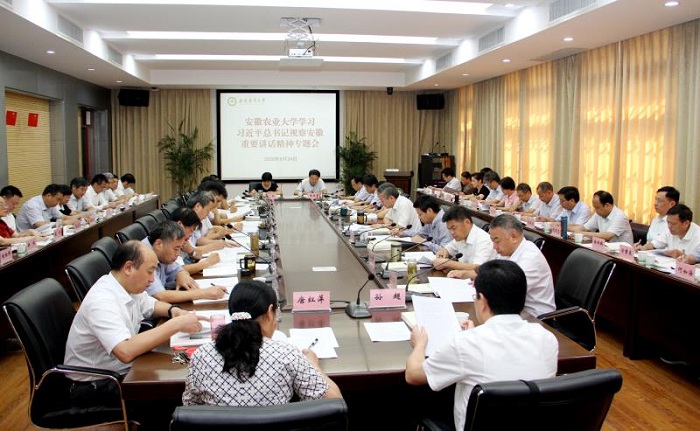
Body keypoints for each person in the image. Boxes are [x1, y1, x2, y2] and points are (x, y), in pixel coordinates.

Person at [405, 260, 558, 431]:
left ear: (483, 301)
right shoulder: (547, 339)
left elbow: (413, 375)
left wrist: (419, 344)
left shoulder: (467, 343)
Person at [63, 241, 203, 407]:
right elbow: (125, 351)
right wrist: (176, 324)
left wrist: (173, 311)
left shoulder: (126, 285)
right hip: (96, 385)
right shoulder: (102, 301)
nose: (152, 279)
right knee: (182, 388)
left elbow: (151, 305)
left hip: (124, 369)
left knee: (186, 366)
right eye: (150, 271)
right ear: (129, 268)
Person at [182, 280, 342, 406]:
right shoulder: (286, 354)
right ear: (270, 312)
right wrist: (313, 365)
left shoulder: (201, 356)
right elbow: (334, 402)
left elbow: (190, 407)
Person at [142, 221, 228, 303]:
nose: (178, 254)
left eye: (180, 249)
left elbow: (177, 269)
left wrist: (181, 274)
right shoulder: (143, 256)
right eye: (176, 249)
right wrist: (204, 293)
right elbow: (160, 296)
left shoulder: (162, 251)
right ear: (159, 244)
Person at [488, 214, 556, 317]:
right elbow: (492, 272)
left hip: (535, 318)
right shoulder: (508, 251)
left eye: (497, 241)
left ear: (514, 237)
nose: (494, 246)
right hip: (514, 310)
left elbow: (507, 292)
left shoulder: (531, 258)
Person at [433, 206, 493, 277]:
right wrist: (443, 251)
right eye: (449, 229)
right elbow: (448, 249)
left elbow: (478, 268)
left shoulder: (484, 240)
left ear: (467, 222)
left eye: (453, 228)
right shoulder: (461, 236)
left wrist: (447, 263)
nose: (452, 233)